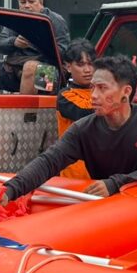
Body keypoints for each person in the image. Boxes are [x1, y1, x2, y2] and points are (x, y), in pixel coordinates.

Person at [0, 55, 137, 203]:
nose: (93, 96)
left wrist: (114, 183)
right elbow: (49, 161)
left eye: (102, 88)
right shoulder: (84, 129)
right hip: (109, 205)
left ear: (126, 91)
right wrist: (10, 190)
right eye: (93, 87)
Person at [0, 0, 70, 94]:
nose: (27, 5)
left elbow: (64, 52)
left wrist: (39, 43)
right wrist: (14, 42)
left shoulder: (55, 20)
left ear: (41, 3)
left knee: (30, 66)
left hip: (50, 77)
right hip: (16, 69)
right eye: (23, 2)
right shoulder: (15, 19)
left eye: (31, 1)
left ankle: (26, 111)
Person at [56, 39, 97, 179]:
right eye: (81, 65)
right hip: (75, 171)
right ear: (68, 67)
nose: (88, 70)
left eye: (91, 64)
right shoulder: (65, 96)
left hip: (101, 168)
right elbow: (88, 114)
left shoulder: (100, 91)